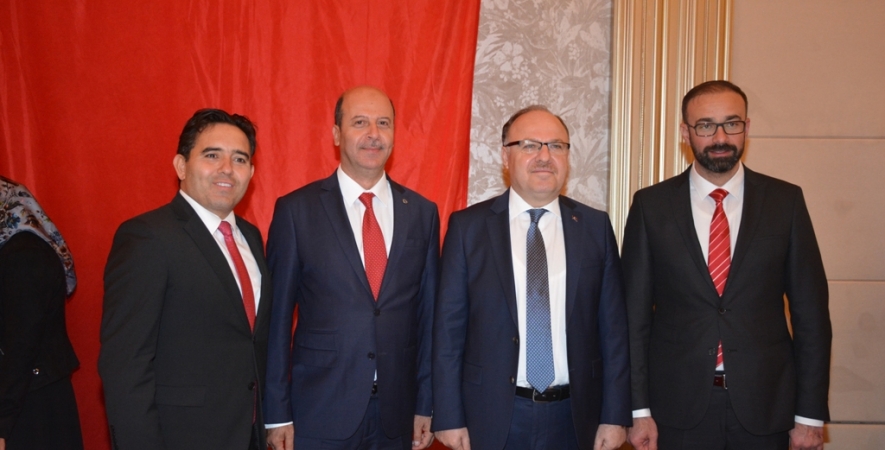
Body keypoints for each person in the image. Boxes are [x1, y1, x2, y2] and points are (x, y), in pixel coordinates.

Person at [622, 80, 831, 450]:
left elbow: (811, 316)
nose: (720, 137)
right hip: (676, 411)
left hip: (767, 409)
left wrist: (809, 416)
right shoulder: (650, 207)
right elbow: (633, 320)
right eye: (705, 126)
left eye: (731, 124)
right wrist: (638, 410)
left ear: (747, 127)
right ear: (685, 132)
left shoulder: (785, 202)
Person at [432, 106, 631, 450]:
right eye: (529, 145)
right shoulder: (468, 228)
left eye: (556, 146)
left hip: (576, 419)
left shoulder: (595, 228)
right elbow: (448, 332)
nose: (544, 156)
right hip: (491, 418)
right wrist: (448, 416)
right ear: (505, 157)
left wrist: (615, 416)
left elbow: (614, 331)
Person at [264, 86, 438, 450]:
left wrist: (426, 403)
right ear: (336, 134)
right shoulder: (296, 211)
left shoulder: (422, 213)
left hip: (397, 415)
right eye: (360, 122)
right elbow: (276, 320)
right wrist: (277, 412)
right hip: (318, 411)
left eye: (383, 123)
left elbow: (428, 317)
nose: (373, 133)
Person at [99, 109, 271, 450]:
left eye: (239, 159)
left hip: (248, 435)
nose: (227, 168)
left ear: (251, 173)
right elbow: (125, 365)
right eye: (212, 155)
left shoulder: (251, 237)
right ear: (181, 166)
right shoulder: (147, 237)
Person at [0, 176, 83, 450]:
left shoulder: (24, 255)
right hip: (23, 399)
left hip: (30, 407)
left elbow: (19, 349)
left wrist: (2, 423)